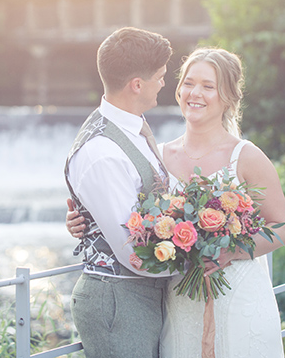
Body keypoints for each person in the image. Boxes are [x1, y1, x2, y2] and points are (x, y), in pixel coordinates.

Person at [67, 47, 285, 358]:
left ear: (227, 96)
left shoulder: (247, 156)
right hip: (180, 301)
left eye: (208, 86)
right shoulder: (157, 155)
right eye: (188, 83)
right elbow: (130, 218)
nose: (194, 93)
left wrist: (230, 250)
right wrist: (85, 223)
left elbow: (282, 228)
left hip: (237, 297)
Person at [65, 26, 173, 358]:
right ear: (136, 85)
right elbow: (133, 250)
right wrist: (204, 259)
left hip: (141, 296)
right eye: (160, 77)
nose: (164, 83)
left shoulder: (131, 127)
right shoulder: (101, 152)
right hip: (118, 302)